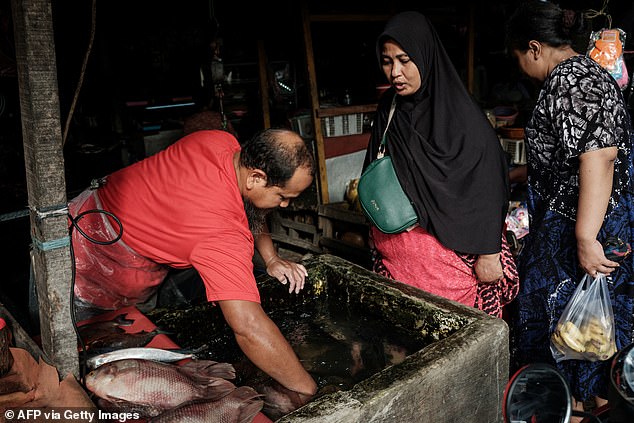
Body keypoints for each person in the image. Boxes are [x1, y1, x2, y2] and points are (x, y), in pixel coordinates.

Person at [68, 128, 318, 412]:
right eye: (283, 196)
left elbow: (250, 208)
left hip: (88, 207)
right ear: (256, 177)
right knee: (91, 359)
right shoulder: (220, 233)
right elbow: (249, 327)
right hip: (96, 261)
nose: (285, 205)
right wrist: (306, 388)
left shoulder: (220, 142)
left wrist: (271, 258)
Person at [505, 1, 634, 417]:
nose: (521, 66)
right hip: (597, 224)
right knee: (588, 337)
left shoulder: (569, 79)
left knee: (565, 334)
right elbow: (575, 154)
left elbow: (600, 156)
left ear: (534, 48)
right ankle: (589, 410)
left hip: (579, 232)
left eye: (519, 57)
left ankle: (575, 412)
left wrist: (584, 238)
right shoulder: (590, 74)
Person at [363, 11, 518, 318]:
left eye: (405, 60)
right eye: (387, 60)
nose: (395, 72)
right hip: (399, 266)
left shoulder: (464, 120)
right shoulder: (389, 110)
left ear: (426, 55)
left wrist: (489, 254)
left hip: (453, 271)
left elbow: (489, 185)